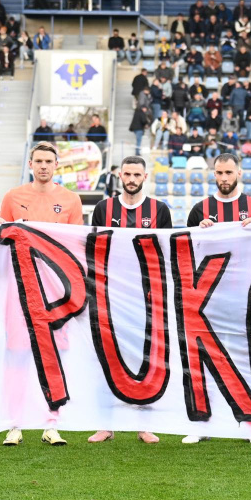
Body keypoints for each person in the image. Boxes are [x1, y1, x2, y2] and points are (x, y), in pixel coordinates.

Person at [0, 142, 83, 445]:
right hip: (21, 290)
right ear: (30, 164)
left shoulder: (71, 200)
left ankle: (51, 423)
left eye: (49, 161)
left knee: (54, 356)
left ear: (57, 165)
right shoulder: (13, 197)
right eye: (39, 161)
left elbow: (77, 245)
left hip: (56, 292)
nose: (44, 166)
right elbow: (2, 237)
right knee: (18, 355)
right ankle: (15, 423)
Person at [183, 153, 251, 444]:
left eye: (228, 172)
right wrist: (200, 233)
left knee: (247, 358)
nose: (224, 178)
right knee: (204, 358)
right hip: (208, 295)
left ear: (239, 173)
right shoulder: (200, 209)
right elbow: (187, 251)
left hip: (246, 292)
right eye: (219, 173)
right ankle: (202, 422)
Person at [87, 156, 171, 445]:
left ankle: (143, 424)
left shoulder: (159, 210)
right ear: (119, 175)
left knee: (144, 360)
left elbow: (167, 250)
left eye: (137, 174)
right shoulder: (103, 208)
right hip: (109, 295)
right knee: (105, 358)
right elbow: (92, 248)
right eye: (127, 174)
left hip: (146, 297)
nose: (132, 178)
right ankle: (105, 424)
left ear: (145, 176)